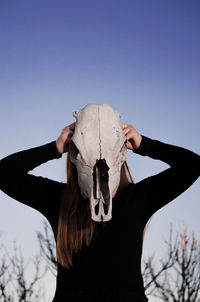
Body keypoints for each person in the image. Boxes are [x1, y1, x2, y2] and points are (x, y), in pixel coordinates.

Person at [0, 106, 199, 302]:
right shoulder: (60, 200)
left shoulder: (137, 198)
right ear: (74, 156)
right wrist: (55, 147)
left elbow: (192, 165)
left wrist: (145, 144)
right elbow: (5, 174)